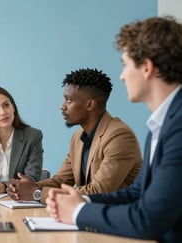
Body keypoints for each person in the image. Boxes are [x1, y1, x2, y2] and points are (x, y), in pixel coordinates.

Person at [46, 16, 182, 243]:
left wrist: (78, 212)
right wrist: (81, 201)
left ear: (147, 67)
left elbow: (148, 219)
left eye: (126, 64)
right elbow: (135, 194)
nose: (122, 75)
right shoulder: (161, 124)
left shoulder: (177, 127)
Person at [7, 68, 142, 203]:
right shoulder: (78, 137)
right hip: (88, 215)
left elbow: (98, 191)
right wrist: (24, 187)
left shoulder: (119, 136)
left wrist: (37, 193)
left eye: (69, 100)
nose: (62, 106)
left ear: (90, 105)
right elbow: (61, 180)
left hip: (115, 218)